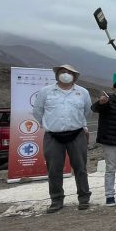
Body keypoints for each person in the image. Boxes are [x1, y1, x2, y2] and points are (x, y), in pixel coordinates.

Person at [33, 64, 92, 213]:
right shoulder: (45, 92)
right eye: (62, 72)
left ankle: (84, 198)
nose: (65, 74)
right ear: (57, 74)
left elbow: (87, 112)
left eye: (69, 72)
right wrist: (49, 125)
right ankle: (56, 199)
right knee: (54, 170)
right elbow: (37, 111)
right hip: (53, 136)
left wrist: (79, 123)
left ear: (75, 76)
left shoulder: (83, 92)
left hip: (76, 134)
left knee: (80, 168)